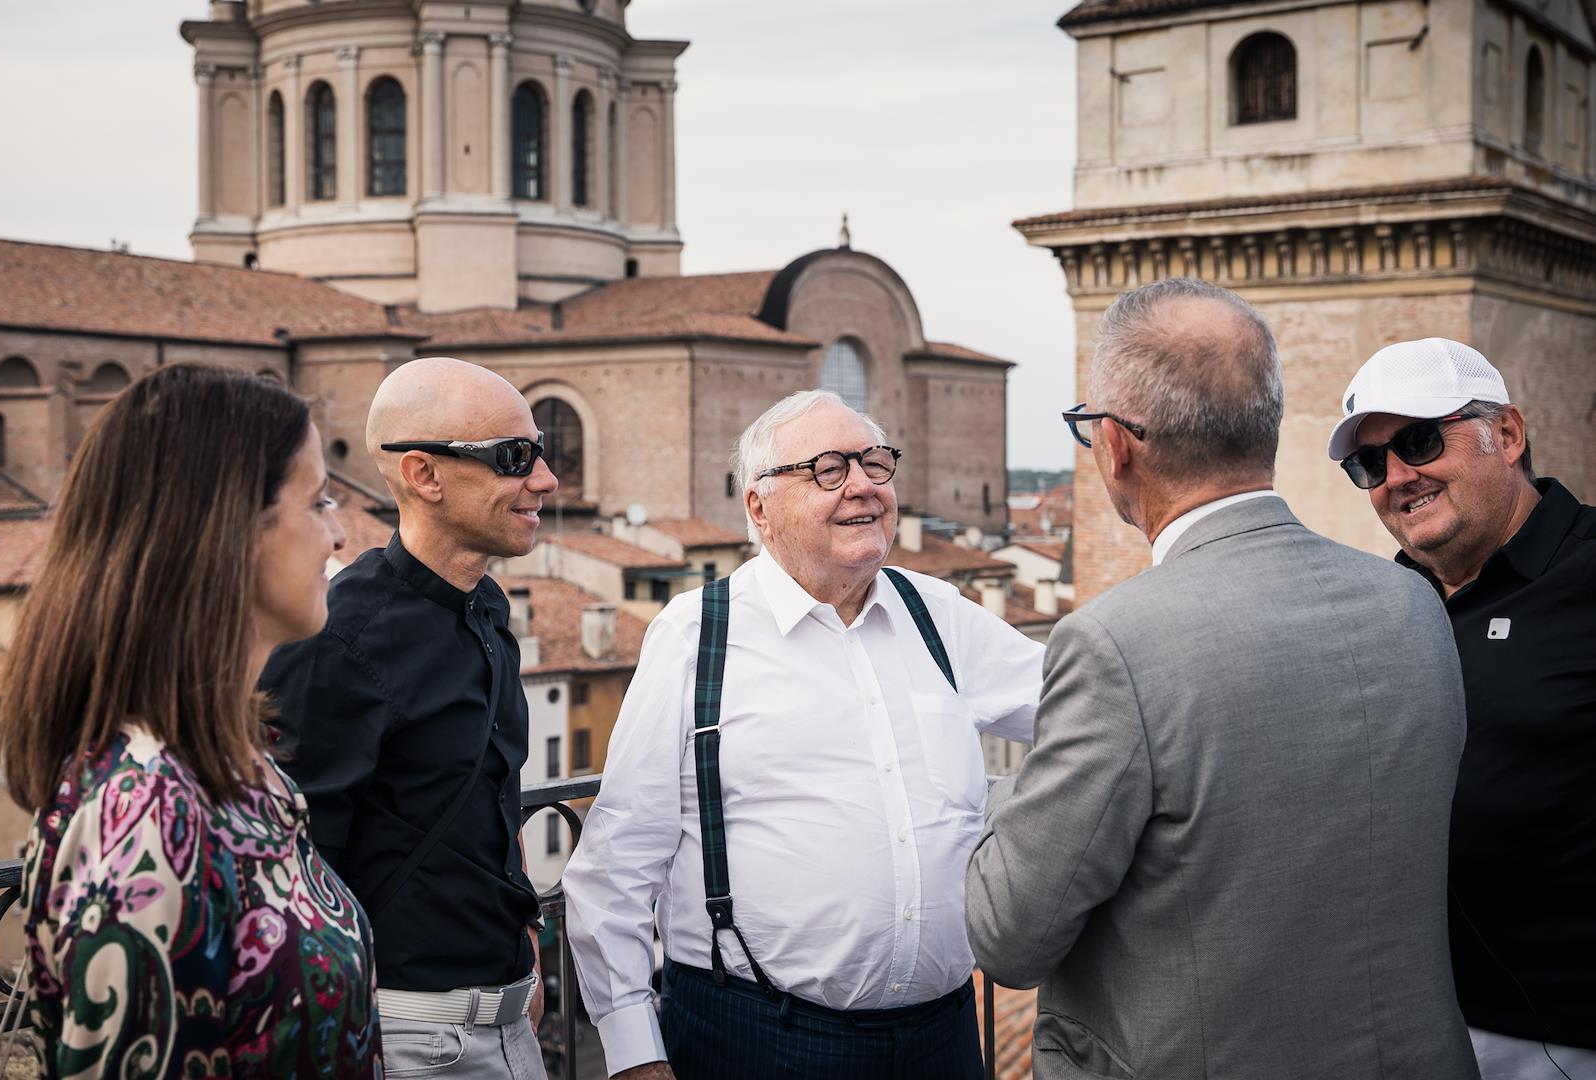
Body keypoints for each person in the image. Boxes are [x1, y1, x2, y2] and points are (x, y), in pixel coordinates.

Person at [965, 279, 1479, 1079]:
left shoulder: (1114, 645)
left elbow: (1009, 936)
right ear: (1263, 427)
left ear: (1114, 445)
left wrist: (994, 796)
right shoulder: (1411, 602)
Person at [562, 389, 1043, 1080]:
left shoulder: (938, 614)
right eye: (828, 469)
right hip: (756, 1038)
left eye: (874, 463)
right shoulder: (698, 634)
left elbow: (1086, 710)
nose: (863, 486)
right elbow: (617, 863)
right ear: (759, 508)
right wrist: (635, 1053)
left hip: (942, 1037)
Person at [0, 364, 377, 1077]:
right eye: (319, 501)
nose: (337, 534)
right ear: (230, 531)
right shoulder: (146, 815)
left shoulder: (239, 767)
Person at [260, 356, 559, 1078]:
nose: (546, 479)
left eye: (540, 450)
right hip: (404, 1038)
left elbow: (494, 795)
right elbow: (299, 868)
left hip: (509, 1020)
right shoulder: (334, 639)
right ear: (424, 475)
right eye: (514, 457)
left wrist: (525, 943)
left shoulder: (488, 610)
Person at [1328, 338, 1596, 1080]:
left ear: (1506, 435)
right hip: (1401, 1026)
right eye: (1370, 463)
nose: (1397, 477)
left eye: (1419, 441)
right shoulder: (1380, 608)